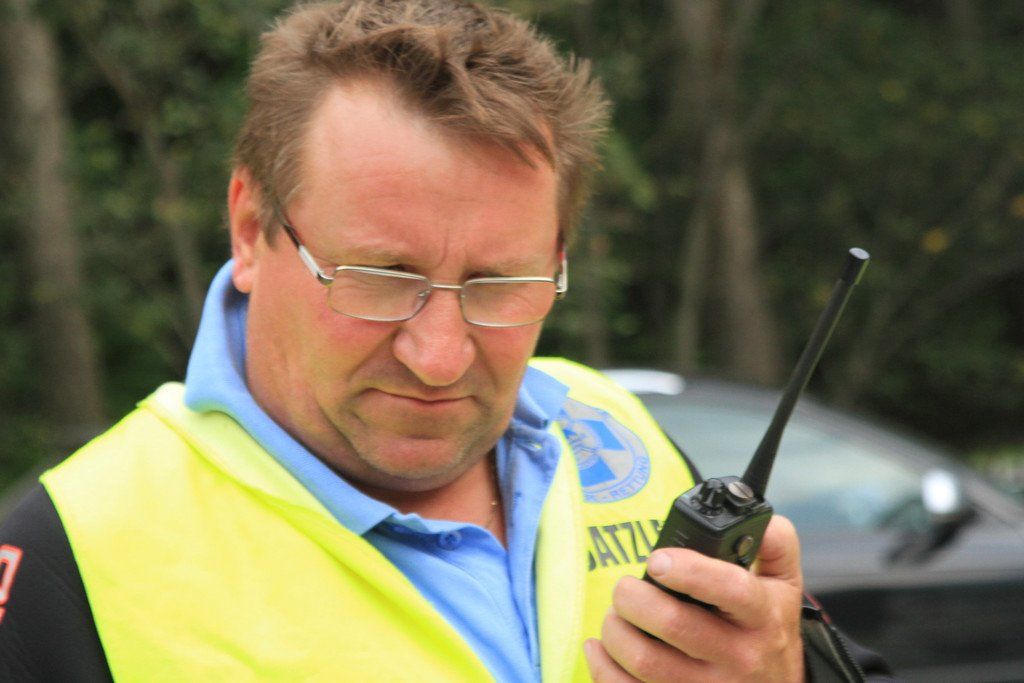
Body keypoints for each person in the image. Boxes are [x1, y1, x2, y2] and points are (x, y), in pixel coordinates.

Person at [0, 1, 892, 681]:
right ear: (249, 227)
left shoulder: (620, 434)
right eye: (382, 277)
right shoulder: (70, 554)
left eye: (500, 285)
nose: (440, 356)